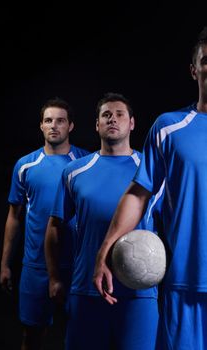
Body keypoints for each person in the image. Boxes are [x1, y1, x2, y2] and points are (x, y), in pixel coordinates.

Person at [93, 27, 207, 350]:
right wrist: (104, 252)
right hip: (185, 286)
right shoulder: (169, 129)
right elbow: (138, 195)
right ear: (194, 69)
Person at [45, 92, 163, 350]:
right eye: (106, 115)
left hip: (139, 295)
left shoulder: (153, 171)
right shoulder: (75, 172)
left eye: (120, 114)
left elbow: (172, 227)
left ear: (132, 123)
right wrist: (54, 277)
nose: (113, 119)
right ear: (97, 124)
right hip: (86, 289)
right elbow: (54, 228)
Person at [0, 97, 89, 350]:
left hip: (77, 267)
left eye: (60, 121)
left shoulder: (86, 162)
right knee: (32, 337)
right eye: (48, 120)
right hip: (35, 266)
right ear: (40, 126)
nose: (54, 126)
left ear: (70, 126)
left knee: (80, 338)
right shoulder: (26, 166)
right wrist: (5, 264)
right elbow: (14, 218)